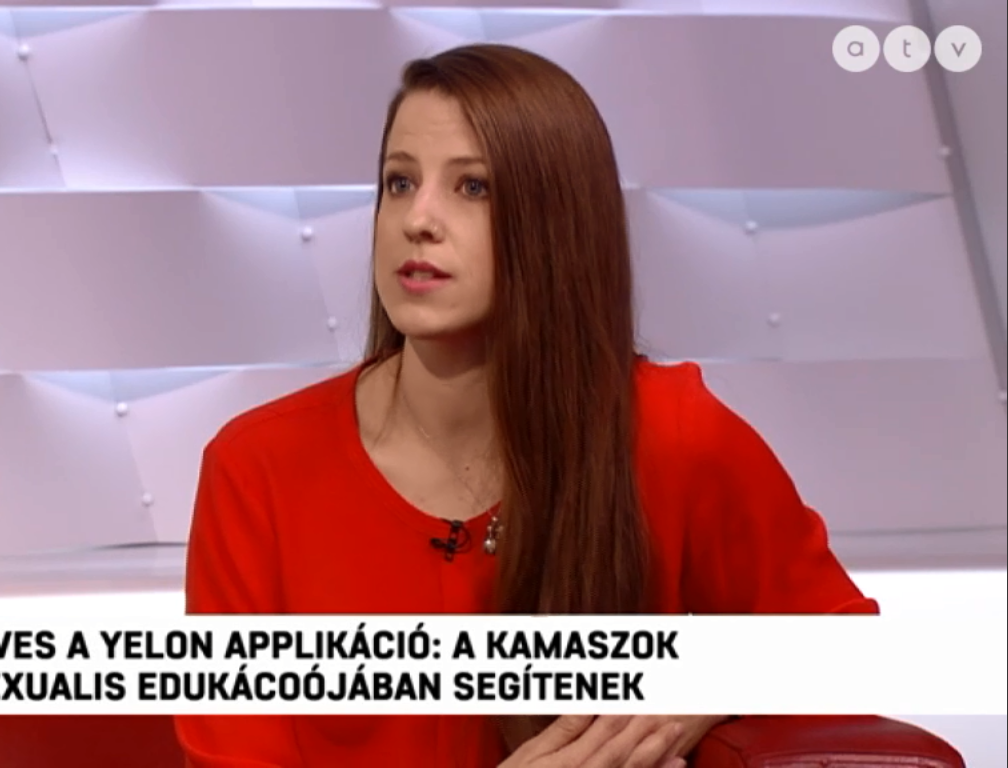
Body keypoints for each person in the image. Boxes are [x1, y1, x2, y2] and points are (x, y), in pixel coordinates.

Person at [174, 43, 877, 768]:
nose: (418, 218)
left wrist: (706, 679)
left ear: (557, 221)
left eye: (472, 187)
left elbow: (842, 646)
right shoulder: (256, 468)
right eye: (399, 181)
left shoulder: (672, 433)